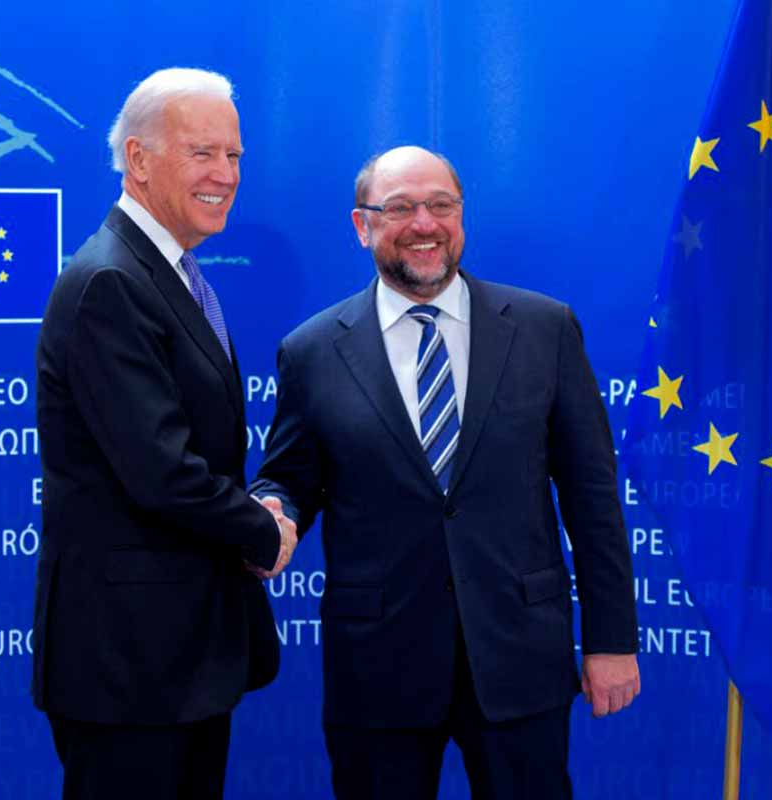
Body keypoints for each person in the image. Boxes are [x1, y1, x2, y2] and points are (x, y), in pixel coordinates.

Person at [250, 145, 639, 800]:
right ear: (362, 225)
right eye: (400, 207)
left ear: (462, 216)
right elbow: (288, 477)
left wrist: (611, 639)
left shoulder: (545, 330)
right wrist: (272, 511)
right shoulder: (312, 350)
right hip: (379, 665)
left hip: (521, 657)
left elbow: (592, 498)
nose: (424, 223)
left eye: (441, 206)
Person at [32, 67, 296, 800]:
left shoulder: (165, 271)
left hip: (178, 657)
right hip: (128, 664)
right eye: (202, 153)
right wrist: (261, 529)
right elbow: (162, 471)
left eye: (234, 155)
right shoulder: (111, 282)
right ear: (139, 159)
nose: (225, 174)